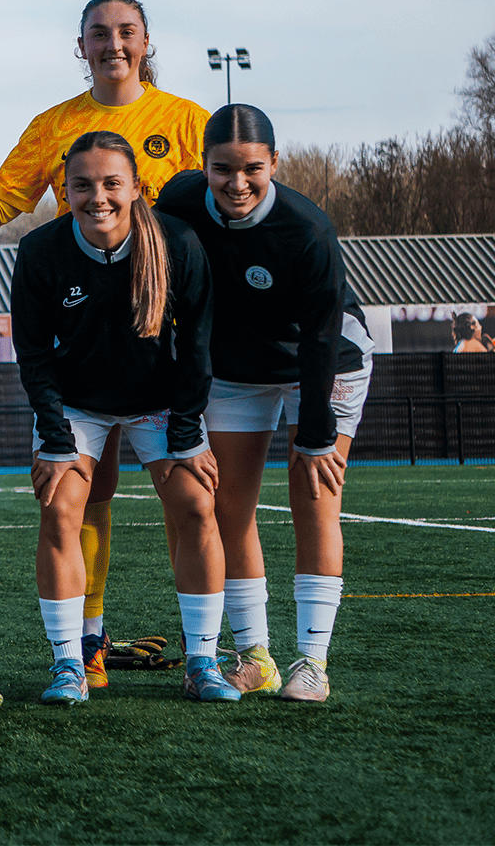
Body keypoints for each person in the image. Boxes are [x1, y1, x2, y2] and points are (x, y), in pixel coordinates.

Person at [0, 0, 210, 686]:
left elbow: (225, 204)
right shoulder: (54, 125)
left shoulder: (187, 121)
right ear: (81, 46)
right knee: (82, 497)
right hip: (84, 346)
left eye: (126, 31)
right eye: (99, 34)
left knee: (197, 501)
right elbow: (1, 202)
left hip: (164, 353)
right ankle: (85, 645)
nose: (113, 44)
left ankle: (216, 650)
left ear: (146, 40)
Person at [157, 105, 376, 702]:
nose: (237, 183)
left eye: (252, 168)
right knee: (229, 507)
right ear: (203, 165)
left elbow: (322, 338)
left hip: (324, 361)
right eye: (223, 169)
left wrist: (317, 435)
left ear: (274, 163)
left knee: (314, 496)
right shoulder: (177, 203)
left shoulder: (307, 228)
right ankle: (255, 657)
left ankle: (313, 663)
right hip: (237, 368)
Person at [11, 131, 238, 704]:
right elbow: (33, 354)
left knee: (197, 504)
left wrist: (186, 434)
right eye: (82, 185)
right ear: (65, 191)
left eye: (112, 183)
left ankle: (203, 660)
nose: (98, 197)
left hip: (159, 401)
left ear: (137, 187)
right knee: (60, 506)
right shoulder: (40, 251)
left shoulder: (177, 243)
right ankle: (69, 662)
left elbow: (198, 347)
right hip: (76, 404)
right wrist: (55, 438)